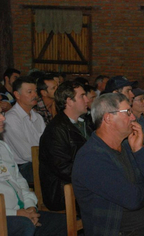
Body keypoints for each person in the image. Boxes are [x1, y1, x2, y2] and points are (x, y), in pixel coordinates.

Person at [72, 93, 144, 236]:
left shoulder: (127, 146)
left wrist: (139, 151)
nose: (133, 118)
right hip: (121, 232)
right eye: (128, 112)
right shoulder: (91, 157)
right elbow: (132, 199)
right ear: (108, 118)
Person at [0, 107, 67, 236]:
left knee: (64, 223)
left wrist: (30, 207)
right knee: (24, 225)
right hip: (6, 216)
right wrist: (16, 214)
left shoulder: (3, 147)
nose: (3, 118)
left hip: (21, 212)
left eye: (1, 113)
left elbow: (19, 181)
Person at [39, 81, 91, 211]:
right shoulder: (56, 130)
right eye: (82, 96)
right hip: (63, 191)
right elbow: (63, 168)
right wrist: (94, 176)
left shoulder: (85, 123)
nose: (87, 99)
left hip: (82, 183)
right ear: (69, 101)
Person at [4, 76, 45, 183]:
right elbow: (26, 154)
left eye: (35, 91)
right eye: (29, 92)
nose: (35, 95)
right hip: (22, 167)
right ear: (17, 95)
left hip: (40, 161)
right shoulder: (11, 118)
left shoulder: (38, 117)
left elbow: (47, 142)